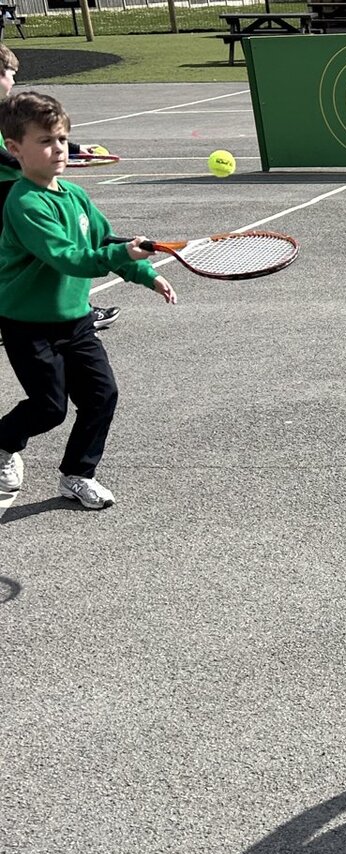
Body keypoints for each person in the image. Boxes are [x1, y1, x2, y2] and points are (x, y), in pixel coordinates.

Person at [0, 91, 176, 507]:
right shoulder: (25, 203)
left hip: (75, 320)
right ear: (15, 149)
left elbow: (103, 241)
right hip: (28, 325)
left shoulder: (76, 196)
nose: (58, 148)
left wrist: (146, 274)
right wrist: (122, 254)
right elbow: (69, 258)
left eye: (62, 139)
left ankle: (78, 474)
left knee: (101, 395)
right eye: (45, 141)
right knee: (49, 408)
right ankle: (4, 443)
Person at [0, 45, 120, 334]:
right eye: (10, 73)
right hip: (7, 191)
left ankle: (72, 309)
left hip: (12, 186)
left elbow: (37, 134)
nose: (14, 80)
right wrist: (30, 163)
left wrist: (76, 149)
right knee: (45, 253)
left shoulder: (5, 112)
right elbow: (6, 155)